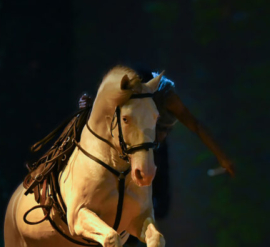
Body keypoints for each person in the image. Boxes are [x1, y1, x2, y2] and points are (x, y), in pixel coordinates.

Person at [79, 68, 235, 219]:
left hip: (155, 147)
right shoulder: (126, 93)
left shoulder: (167, 97)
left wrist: (222, 157)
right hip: (130, 149)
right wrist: (90, 104)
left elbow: (195, 125)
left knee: (160, 205)